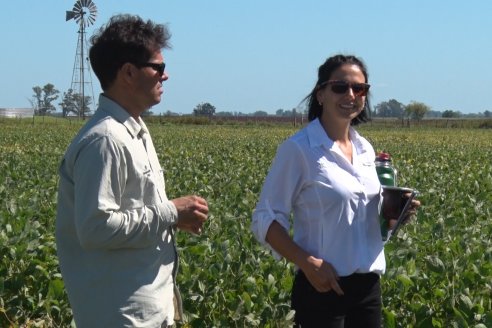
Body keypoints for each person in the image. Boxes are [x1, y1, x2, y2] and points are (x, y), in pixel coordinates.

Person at [56, 14, 209, 328]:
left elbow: (127, 213)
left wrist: (174, 217)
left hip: (143, 311)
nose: (164, 76)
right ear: (128, 72)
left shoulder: (133, 130)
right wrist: (169, 213)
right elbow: (96, 228)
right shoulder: (106, 139)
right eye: (158, 67)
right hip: (121, 315)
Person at [251, 54, 420, 327]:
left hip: (368, 290)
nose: (350, 94)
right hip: (322, 289)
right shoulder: (299, 149)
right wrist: (307, 263)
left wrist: (394, 217)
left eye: (359, 88)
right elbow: (264, 219)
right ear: (320, 94)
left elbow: (365, 224)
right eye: (340, 87)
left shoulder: (365, 149)